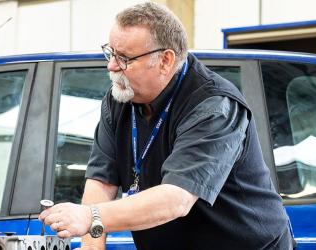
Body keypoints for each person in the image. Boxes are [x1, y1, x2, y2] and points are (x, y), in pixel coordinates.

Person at [38, 2, 293, 249]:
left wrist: (90, 216)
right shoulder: (120, 99)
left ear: (165, 60)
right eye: (111, 53)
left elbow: (177, 198)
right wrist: (92, 245)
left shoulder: (213, 107)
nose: (111, 66)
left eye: (124, 58)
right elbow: (102, 180)